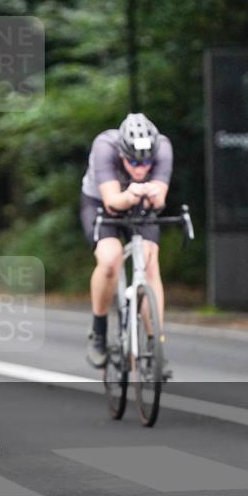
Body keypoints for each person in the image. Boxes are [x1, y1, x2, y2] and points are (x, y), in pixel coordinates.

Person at [80, 113, 173, 368]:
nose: (141, 168)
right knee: (111, 259)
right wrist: (131, 193)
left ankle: (155, 344)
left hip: (139, 203)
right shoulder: (104, 147)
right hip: (101, 202)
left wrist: (153, 195)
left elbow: (160, 200)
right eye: (133, 161)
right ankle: (99, 331)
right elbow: (112, 202)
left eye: (147, 163)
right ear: (121, 153)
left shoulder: (163, 147)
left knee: (150, 262)